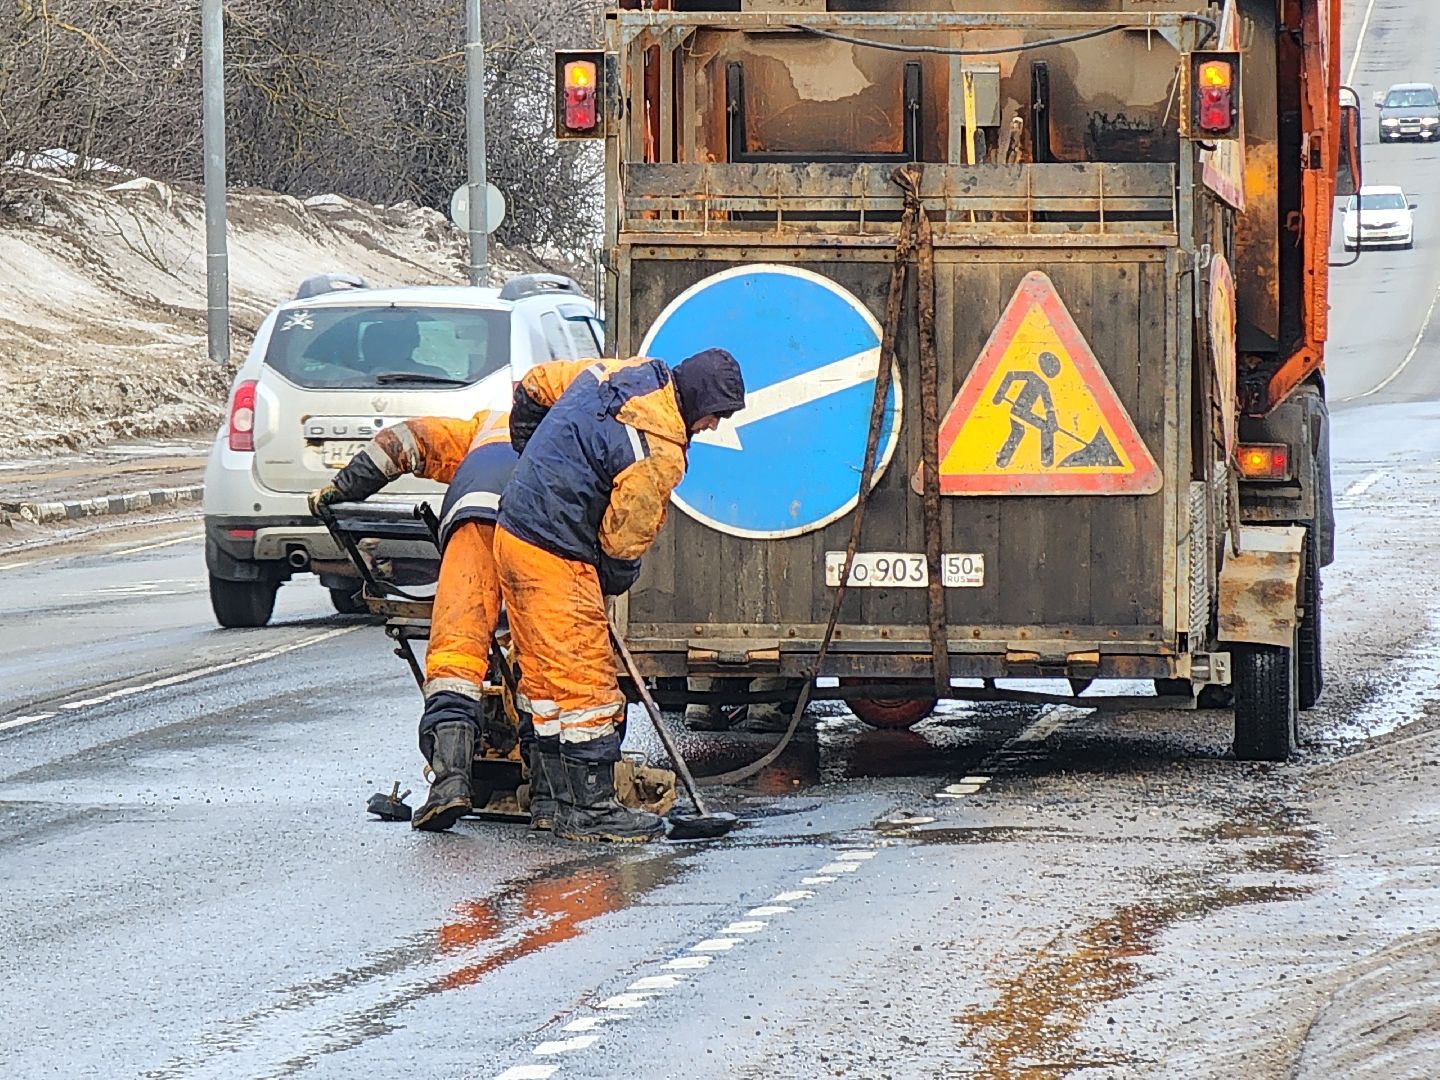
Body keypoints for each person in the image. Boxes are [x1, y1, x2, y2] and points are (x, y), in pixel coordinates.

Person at [496, 348, 746, 844]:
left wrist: (532, 456)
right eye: (716, 415)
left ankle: (551, 800)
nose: (714, 426)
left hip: (513, 532)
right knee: (586, 686)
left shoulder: (620, 372)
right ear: (700, 402)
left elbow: (534, 385)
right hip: (556, 553)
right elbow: (623, 540)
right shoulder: (659, 450)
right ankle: (591, 811)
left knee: (544, 681)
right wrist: (608, 581)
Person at [308, 409, 554, 833]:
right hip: (538, 525)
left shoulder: (486, 425)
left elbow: (405, 441)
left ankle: (450, 783)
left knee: (456, 656)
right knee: (544, 662)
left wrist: (342, 488)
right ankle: (547, 796)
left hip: (473, 515)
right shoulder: (575, 427)